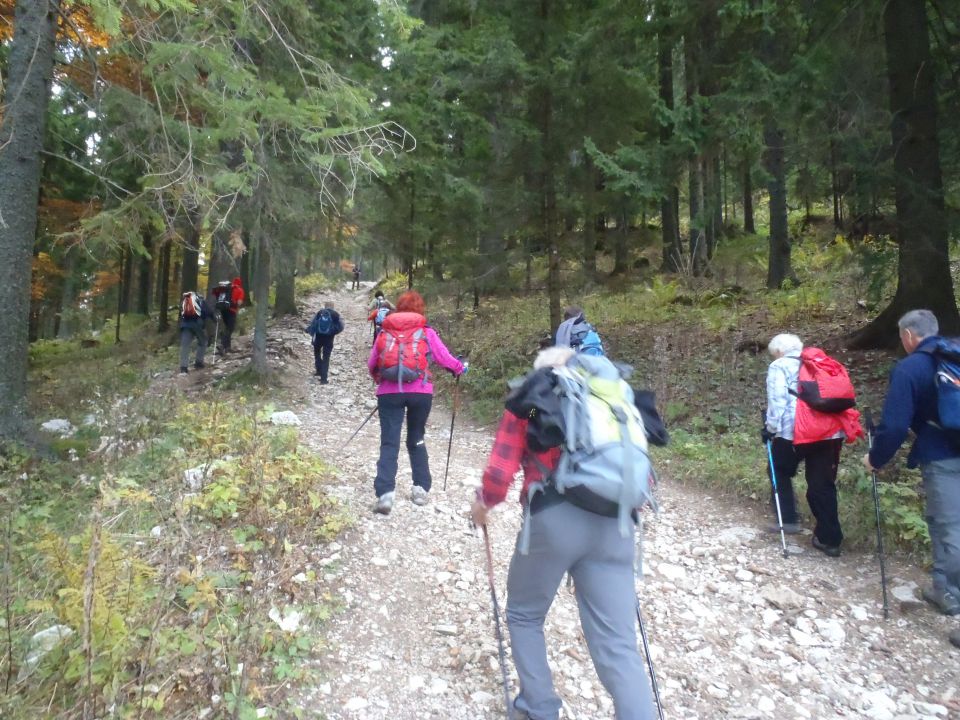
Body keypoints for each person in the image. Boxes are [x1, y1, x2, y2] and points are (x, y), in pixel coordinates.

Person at [470, 346, 657, 720]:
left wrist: (483, 505)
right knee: (618, 643)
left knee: (524, 614)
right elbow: (642, 474)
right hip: (616, 524)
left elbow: (500, 470)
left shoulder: (534, 399)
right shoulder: (613, 400)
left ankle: (538, 706)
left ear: (542, 373)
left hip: (554, 521)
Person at [864, 310, 960, 618]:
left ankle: (953, 594)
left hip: (942, 455)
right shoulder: (955, 358)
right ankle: (942, 588)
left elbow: (894, 426)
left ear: (908, 336)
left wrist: (876, 458)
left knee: (950, 528)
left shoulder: (910, 368)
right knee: (942, 523)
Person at [367, 290, 465, 513]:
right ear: (420, 309)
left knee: (389, 442)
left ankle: (385, 494)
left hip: (389, 394)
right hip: (421, 392)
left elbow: (372, 363)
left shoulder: (385, 331)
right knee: (416, 438)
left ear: (398, 308)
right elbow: (445, 358)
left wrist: (381, 380)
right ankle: (420, 489)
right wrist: (460, 368)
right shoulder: (426, 332)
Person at [763, 333, 860, 557]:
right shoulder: (821, 363)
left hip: (794, 432)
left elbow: (777, 402)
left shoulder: (779, 366)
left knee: (778, 470)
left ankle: (788, 520)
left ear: (778, 351)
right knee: (822, 485)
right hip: (830, 433)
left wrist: (769, 429)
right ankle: (830, 540)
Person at [305, 301, 344, 384]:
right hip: (329, 339)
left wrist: (309, 331)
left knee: (317, 353)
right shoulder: (335, 314)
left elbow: (313, 324)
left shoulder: (320, 312)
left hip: (318, 338)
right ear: (333, 307)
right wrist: (333, 332)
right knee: (326, 357)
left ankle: (318, 370)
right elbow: (341, 326)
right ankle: (324, 379)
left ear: (325, 306)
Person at [178, 291, 214, 374]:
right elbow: (208, 312)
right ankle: (198, 362)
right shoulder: (201, 301)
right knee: (203, 341)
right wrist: (213, 318)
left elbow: (182, 314)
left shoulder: (185, 301)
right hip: (197, 325)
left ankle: (184, 367)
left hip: (185, 325)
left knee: (185, 346)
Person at [212, 277, 244, 353]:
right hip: (232, 310)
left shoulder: (227, 289)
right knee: (230, 328)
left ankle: (228, 347)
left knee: (227, 328)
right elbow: (239, 302)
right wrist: (236, 305)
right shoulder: (240, 290)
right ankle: (222, 345)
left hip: (223, 310)